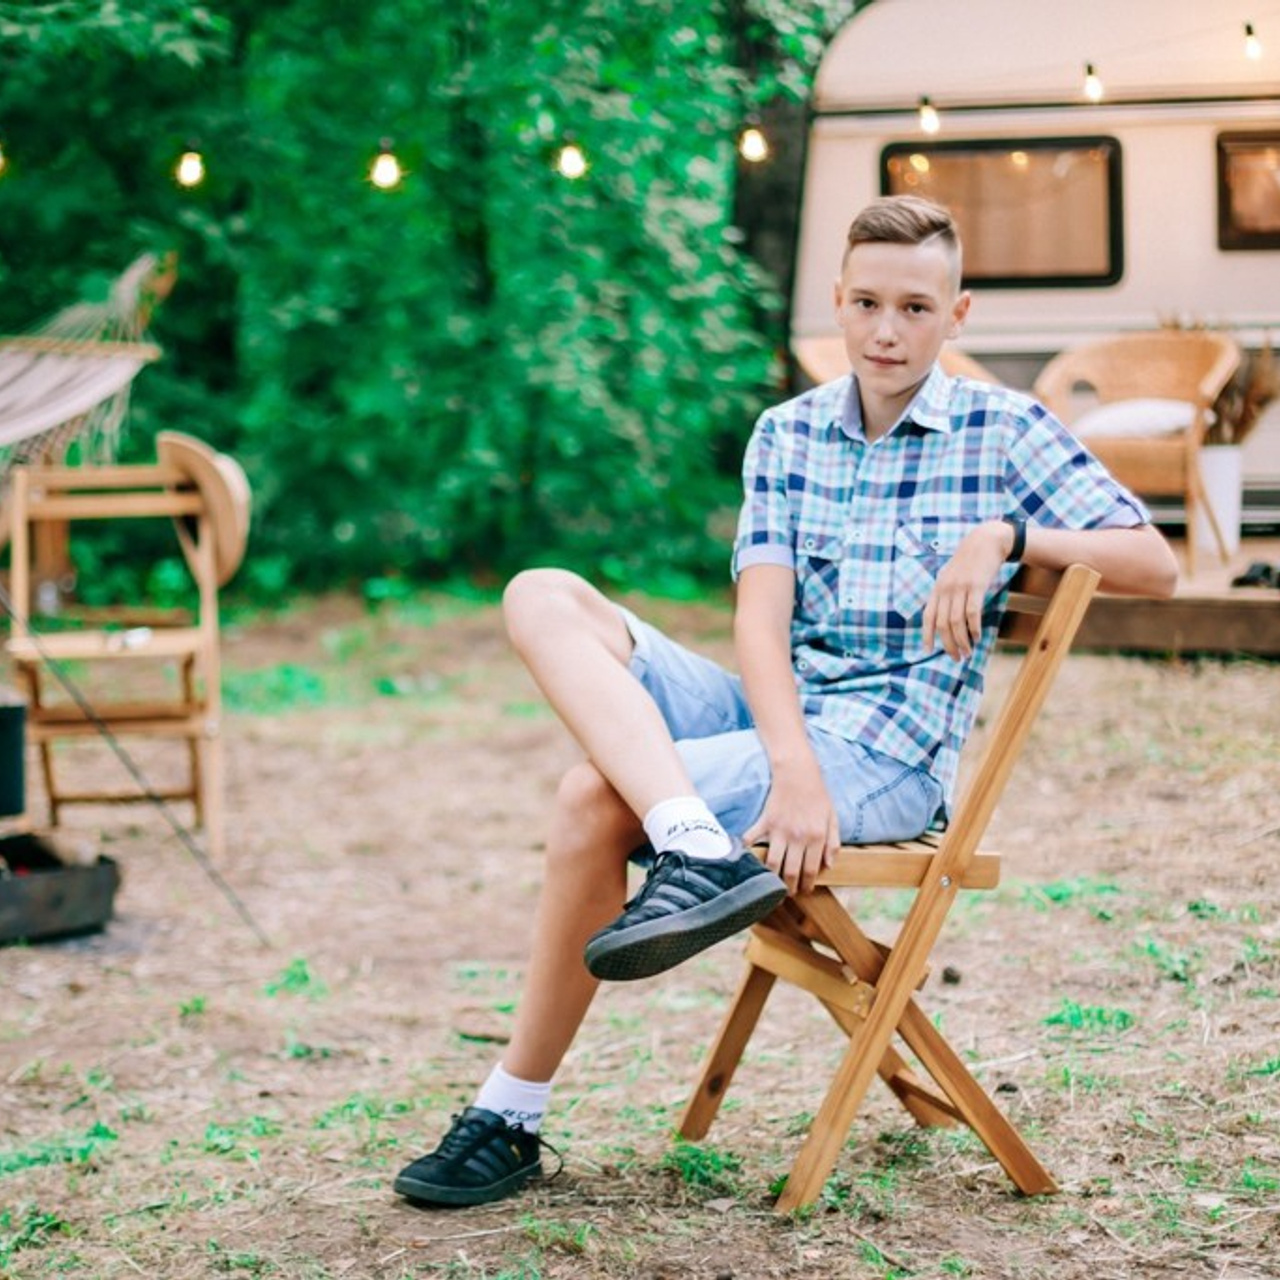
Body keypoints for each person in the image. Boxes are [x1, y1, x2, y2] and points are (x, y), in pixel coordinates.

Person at [393, 194, 1179, 1208]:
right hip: (784, 723)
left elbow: (1150, 561)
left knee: (592, 797)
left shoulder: (1004, 429)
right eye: (866, 302)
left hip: (884, 754)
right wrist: (790, 761)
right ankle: (693, 838)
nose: (887, 330)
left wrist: (1006, 537)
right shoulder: (787, 432)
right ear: (835, 303)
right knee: (539, 594)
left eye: (914, 307)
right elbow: (758, 623)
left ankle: (508, 1115)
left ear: (957, 313)